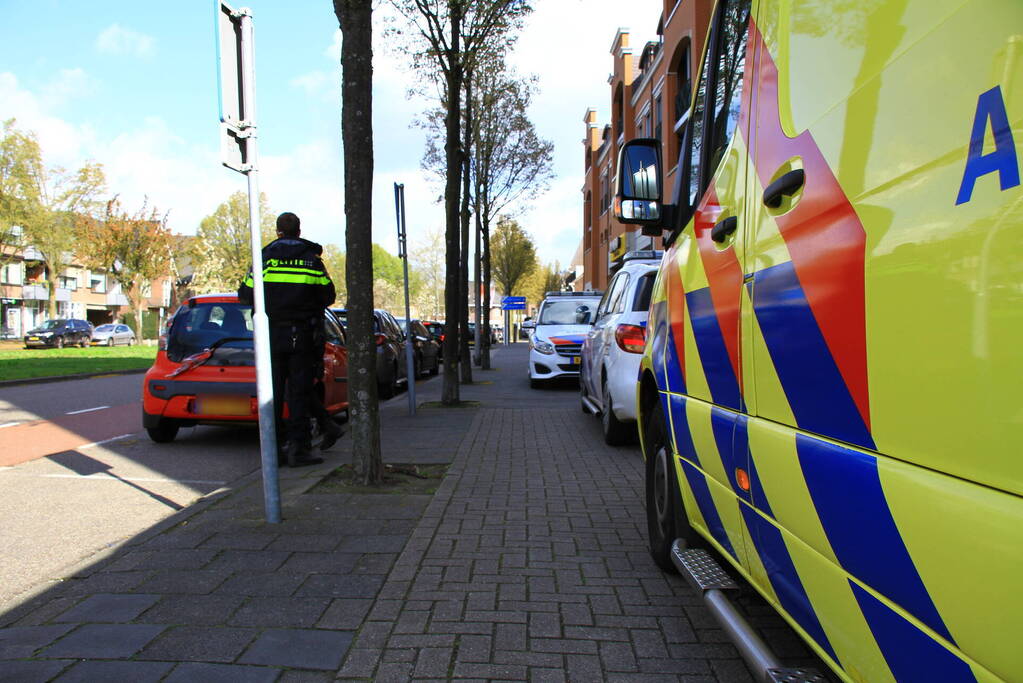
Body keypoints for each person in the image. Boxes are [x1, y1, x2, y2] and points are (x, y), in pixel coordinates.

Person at [238, 211, 336, 467]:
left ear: (278, 232)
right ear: (299, 232)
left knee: (272, 394)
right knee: (299, 394)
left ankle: (274, 449)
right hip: (302, 335)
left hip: (270, 335)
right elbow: (328, 296)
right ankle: (299, 450)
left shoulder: (264, 259)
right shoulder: (312, 261)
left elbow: (245, 294)